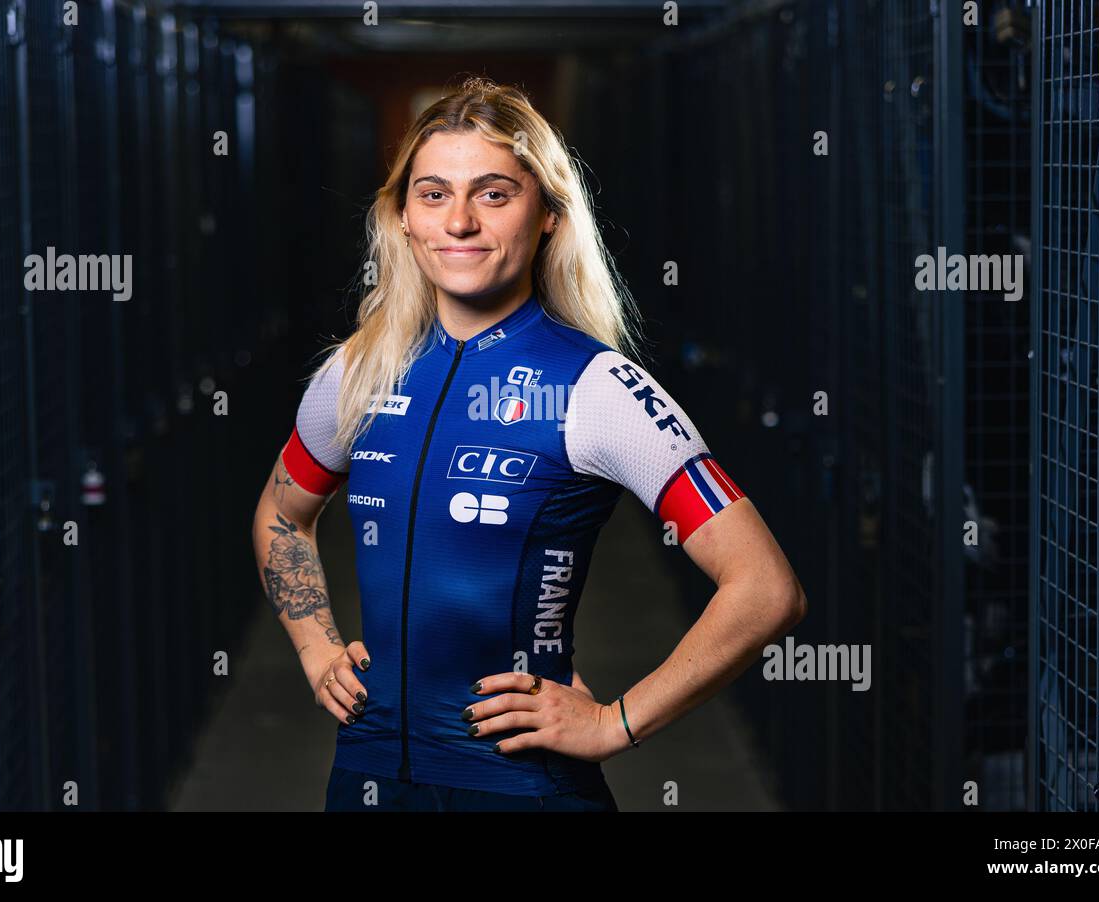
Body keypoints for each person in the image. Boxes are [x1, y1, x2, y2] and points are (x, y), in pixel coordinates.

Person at [252, 76, 806, 812]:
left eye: (493, 193)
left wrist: (616, 723)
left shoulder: (598, 388)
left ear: (546, 214)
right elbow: (281, 515)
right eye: (433, 194)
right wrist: (317, 648)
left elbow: (766, 591)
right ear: (403, 219)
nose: (459, 222)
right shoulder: (356, 372)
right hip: (370, 778)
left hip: (521, 786)